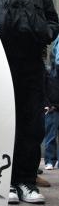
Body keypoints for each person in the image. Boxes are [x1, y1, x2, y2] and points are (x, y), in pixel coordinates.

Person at [0, 0, 59, 204]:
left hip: (32, 61)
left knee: (32, 123)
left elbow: (53, 18)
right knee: (4, 121)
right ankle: (4, 182)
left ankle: (26, 182)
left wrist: (46, 33)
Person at [44, 35, 59, 170]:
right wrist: (48, 104)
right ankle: (49, 160)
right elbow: (46, 88)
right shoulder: (49, 72)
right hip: (52, 107)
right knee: (50, 136)